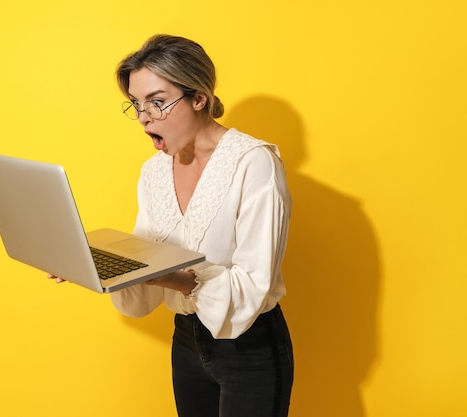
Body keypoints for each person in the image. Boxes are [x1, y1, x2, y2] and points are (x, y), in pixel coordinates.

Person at [52, 34, 294, 417]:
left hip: (250, 349)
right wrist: (92, 262)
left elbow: (253, 284)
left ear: (199, 98)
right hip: (186, 342)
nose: (145, 116)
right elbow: (146, 257)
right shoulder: (153, 172)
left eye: (157, 102)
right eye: (136, 104)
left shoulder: (254, 163)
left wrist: (166, 276)